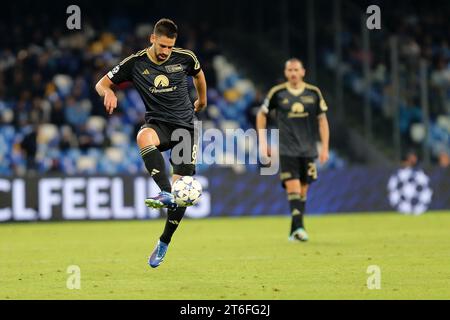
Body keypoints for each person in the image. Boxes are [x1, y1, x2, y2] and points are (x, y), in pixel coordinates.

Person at [95, 18, 207, 268]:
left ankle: (164, 241)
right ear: (152, 39)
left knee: (183, 194)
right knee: (143, 136)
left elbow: (199, 75)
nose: (166, 51)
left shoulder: (185, 57)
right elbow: (101, 84)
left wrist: (202, 100)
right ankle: (165, 191)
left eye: (170, 47)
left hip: (185, 129)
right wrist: (109, 92)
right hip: (158, 124)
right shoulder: (135, 63)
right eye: (163, 46)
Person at [256, 58, 329, 242]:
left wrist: (325, 147)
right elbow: (261, 114)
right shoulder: (278, 93)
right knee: (294, 189)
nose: (293, 73)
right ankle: (300, 229)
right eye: (290, 70)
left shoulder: (313, 93)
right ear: (285, 72)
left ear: (303, 72)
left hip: (309, 149)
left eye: (296, 70)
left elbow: (322, 121)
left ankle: (294, 231)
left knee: (303, 192)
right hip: (287, 149)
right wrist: (263, 142)